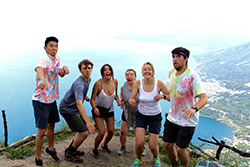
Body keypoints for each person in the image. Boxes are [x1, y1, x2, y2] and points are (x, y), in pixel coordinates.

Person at [163, 47, 207, 167]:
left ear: (186, 59)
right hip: (173, 116)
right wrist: (162, 97)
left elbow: (204, 98)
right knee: (167, 144)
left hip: (188, 120)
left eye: (178, 57)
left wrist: (194, 108)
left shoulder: (193, 76)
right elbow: (173, 95)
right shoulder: (171, 72)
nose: (175, 59)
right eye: (173, 57)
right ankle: (174, 164)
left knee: (181, 149)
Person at [32, 36, 69, 166]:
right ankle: (38, 157)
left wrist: (64, 70)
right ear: (45, 47)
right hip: (41, 99)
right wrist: (42, 80)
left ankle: (51, 149)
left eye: (56, 46)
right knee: (42, 131)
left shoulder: (56, 59)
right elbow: (39, 68)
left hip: (51, 98)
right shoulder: (43, 58)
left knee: (51, 126)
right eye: (51, 45)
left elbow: (60, 73)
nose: (54, 48)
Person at [128, 62, 170, 167]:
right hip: (141, 116)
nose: (147, 71)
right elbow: (131, 98)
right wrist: (131, 101)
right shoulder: (138, 83)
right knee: (139, 143)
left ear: (153, 71)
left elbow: (172, 97)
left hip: (155, 117)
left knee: (152, 146)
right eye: (145, 69)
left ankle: (156, 157)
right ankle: (138, 159)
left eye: (149, 69)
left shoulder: (159, 84)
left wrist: (163, 96)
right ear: (142, 72)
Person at [59, 59, 96, 163]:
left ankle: (71, 149)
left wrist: (87, 98)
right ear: (80, 71)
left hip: (73, 108)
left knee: (81, 131)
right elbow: (79, 104)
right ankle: (69, 153)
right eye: (85, 68)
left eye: (89, 68)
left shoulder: (88, 79)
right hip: (67, 109)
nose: (87, 70)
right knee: (84, 133)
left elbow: (80, 94)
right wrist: (88, 122)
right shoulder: (79, 84)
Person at [90, 64, 122, 158]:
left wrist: (118, 100)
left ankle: (104, 145)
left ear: (111, 72)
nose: (107, 71)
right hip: (98, 110)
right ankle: (95, 149)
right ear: (102, 73)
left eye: (109, 69)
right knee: (101, 132)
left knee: (111, 131)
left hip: (109, 109)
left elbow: (115, 94)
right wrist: (94, 107)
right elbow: (92, 98)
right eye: (105, 70)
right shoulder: (98, 84)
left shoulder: (115, 81)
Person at [117, 69, 146, 156]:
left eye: (131, 75)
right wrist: (122, 100)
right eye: (127, 75)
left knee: (138, 133)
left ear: (135, 76)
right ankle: (123, 147)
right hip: (127, 111)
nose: (129, 77)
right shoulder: (123, 86)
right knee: (123, 132)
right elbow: (121, 93)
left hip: (138, 112)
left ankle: (142, 147)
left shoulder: (140, 86)